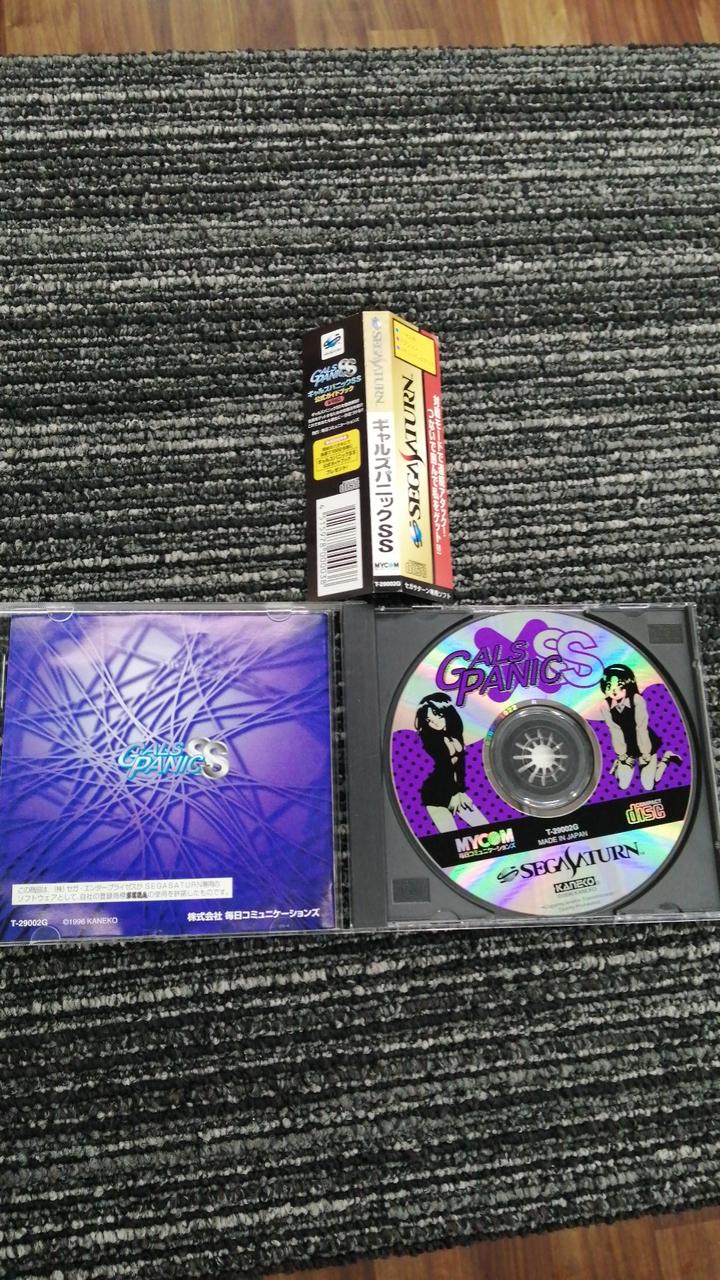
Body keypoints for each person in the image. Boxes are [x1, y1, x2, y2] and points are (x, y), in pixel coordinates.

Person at [599, 663, 681, 792]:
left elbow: (641, 727)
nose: (614, 690)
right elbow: (614, 730)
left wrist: (646, 752)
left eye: (619, 684)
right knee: (623, 785)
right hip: (626, 747)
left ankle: (666, 758)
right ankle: (618, 764)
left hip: (645, 742)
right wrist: (621, 754)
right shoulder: (605, 705)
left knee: (648, 785)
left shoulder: (637, 699)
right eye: (609, 685)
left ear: (628, 684)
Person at [414, 693, 486, 833]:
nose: (433, 722)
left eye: (437, 715)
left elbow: (460, 765)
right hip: (435, 792)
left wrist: (460, 791)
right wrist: (455, 793)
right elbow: (444, 766)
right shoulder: (430, 738)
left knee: (484, 826)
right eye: (428, 720)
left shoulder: (455, 734)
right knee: (450, 835)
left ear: (446, 712)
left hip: (454, 789)